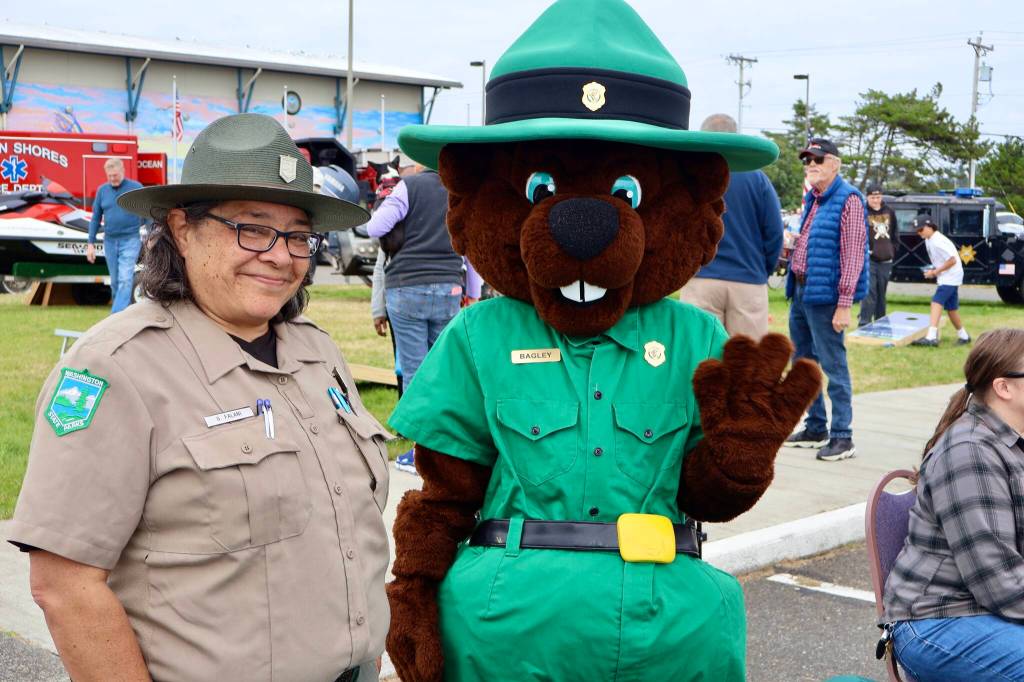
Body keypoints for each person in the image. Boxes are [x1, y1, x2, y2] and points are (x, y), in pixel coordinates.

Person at [7, 113, 389, 682]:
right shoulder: (117, 368)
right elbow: (64, 585)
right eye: (253, 229)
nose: (282, 255)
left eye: (299, 236)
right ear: (182, 229)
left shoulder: (316, 352)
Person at [882, 328, 1024, 681]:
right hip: (937, 621)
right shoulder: (970, 451)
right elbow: (1000, 583)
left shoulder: (1011, 443)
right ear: (1003, 387)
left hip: (986, 608)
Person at [364, 163, 482, 475]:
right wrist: (472, 293)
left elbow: (374, 227)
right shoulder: (459, 194)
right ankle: (447, 448)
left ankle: (419, 454)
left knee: (415, 371)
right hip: (449, 288)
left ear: (419, 164)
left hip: (406, 287)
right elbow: (469, 250)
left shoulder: (410, 187)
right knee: (444, 369)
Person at [784, 138, 869, 462]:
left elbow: (852, 254)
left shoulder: (848, 199)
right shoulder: (815, 200)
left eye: (817, 159)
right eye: (807, 161)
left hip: (827, 298)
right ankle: (816, 426)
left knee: (834, 366)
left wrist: (845, 303)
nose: (811, 165)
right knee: (804, 365)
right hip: (803, 292)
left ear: (835, 163)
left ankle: (843, 436)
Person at [680, 113, 784, 339]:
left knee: (699, 359)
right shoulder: (757, 178)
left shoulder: (690, 177)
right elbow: (775, 233)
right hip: (747, 281)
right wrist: (761, 269)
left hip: (702, 278)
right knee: (747, 364)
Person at [86, 158, 145, 313]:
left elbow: (147, 214)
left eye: (115, 175)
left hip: (130, 239)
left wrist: (151, 235)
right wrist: (90, 244)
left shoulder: (135, 188)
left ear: (122, 171)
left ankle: (115, 317)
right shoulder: (102, 191)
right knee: (115, 283)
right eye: (109, 176)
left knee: (125, 280)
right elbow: (95, 218)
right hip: (110, 242)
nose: (112, 178)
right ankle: (123, 313)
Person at [910, 212, 970, 347]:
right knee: (951, 309)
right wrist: (932, 269)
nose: (919, 233)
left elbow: (952, 260)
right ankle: (964, 336)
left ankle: (931, 337)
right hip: (948, 276)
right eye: (917, 231)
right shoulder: (929, 239)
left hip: (951, 276)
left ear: (929, 226)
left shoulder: (937, 241)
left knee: (936, 302)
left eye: (921, 229)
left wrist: (934, 272)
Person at [857, 183, 897, 327]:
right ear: (867, 197)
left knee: (881, 293)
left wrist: (892, 250)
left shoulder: (889, 211)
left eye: (878, 197)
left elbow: (894, 233)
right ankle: (864, 323)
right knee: (869, 292)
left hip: (886, 259)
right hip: (869, 260)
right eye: (873, 197)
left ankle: (881, 322)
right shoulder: (863, 212)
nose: (876, 200)